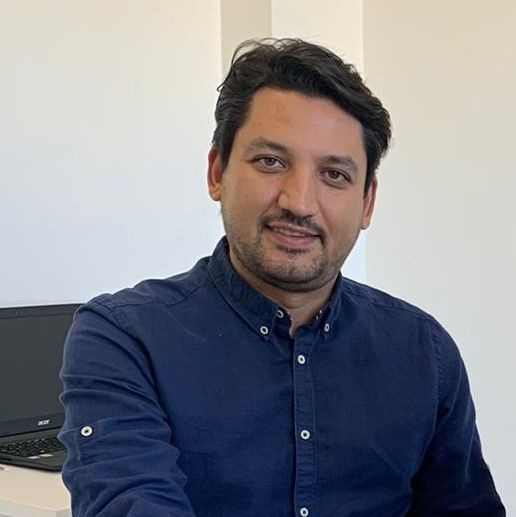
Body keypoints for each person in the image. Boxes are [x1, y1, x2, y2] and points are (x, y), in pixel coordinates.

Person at [59, 39, 505, 516]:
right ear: (217, 172)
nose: (299, 202)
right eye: (271, 162)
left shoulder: (423, 352)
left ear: (367, 202)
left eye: (334, 175)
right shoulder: (125, 338)